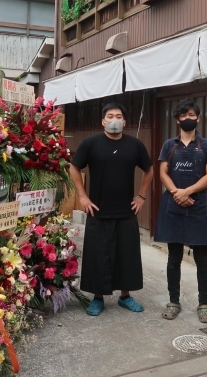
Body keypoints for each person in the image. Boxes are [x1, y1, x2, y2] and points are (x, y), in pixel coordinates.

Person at [70, 102, 154, 316]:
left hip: (126, 211)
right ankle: (98, 298)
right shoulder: (90, 144)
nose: (114, 119)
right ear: (103, 121)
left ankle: (125, 297)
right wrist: (83, 196)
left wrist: (142, 196)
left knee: (127, 255)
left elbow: (149, 169)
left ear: (124, 122)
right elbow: (74, 167)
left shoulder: (135, 145)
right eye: (110, 116)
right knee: (98, 255)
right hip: (97, 211)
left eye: (118, 116)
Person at [155, 98, 207, 323]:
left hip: (199, 205)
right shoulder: (169, 145)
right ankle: (173, 301)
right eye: (183, 116)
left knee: (202, 258)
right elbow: (162, 173)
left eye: (191, 115)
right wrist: (177, 193)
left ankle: (204, 303)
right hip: (175, 205)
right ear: (177, 120)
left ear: (198, 118)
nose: (187, 119)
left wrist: (187, 192)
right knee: (174, 257)